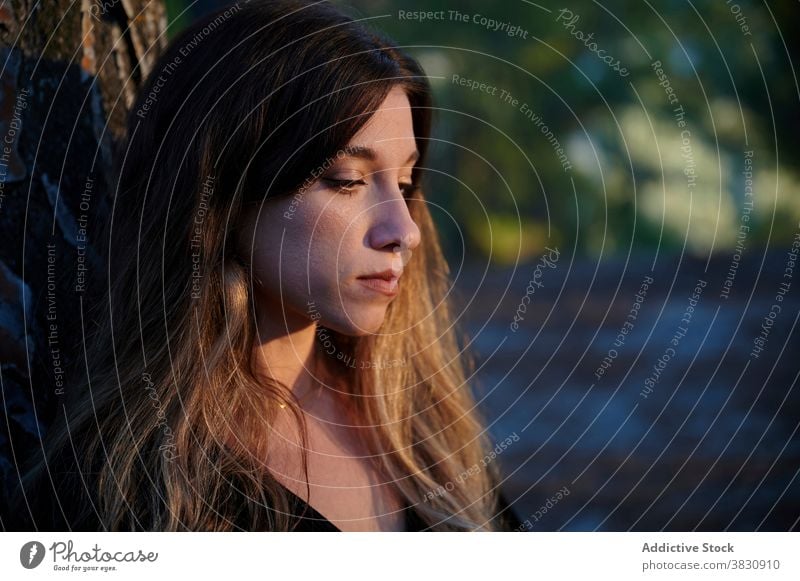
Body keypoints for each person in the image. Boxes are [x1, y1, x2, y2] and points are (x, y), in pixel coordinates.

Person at [10, 0, 521, 532]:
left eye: (406, 183)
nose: (405, 231)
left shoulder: (423, 435)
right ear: (222, 196)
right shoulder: (126, 493)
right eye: (347, 179)